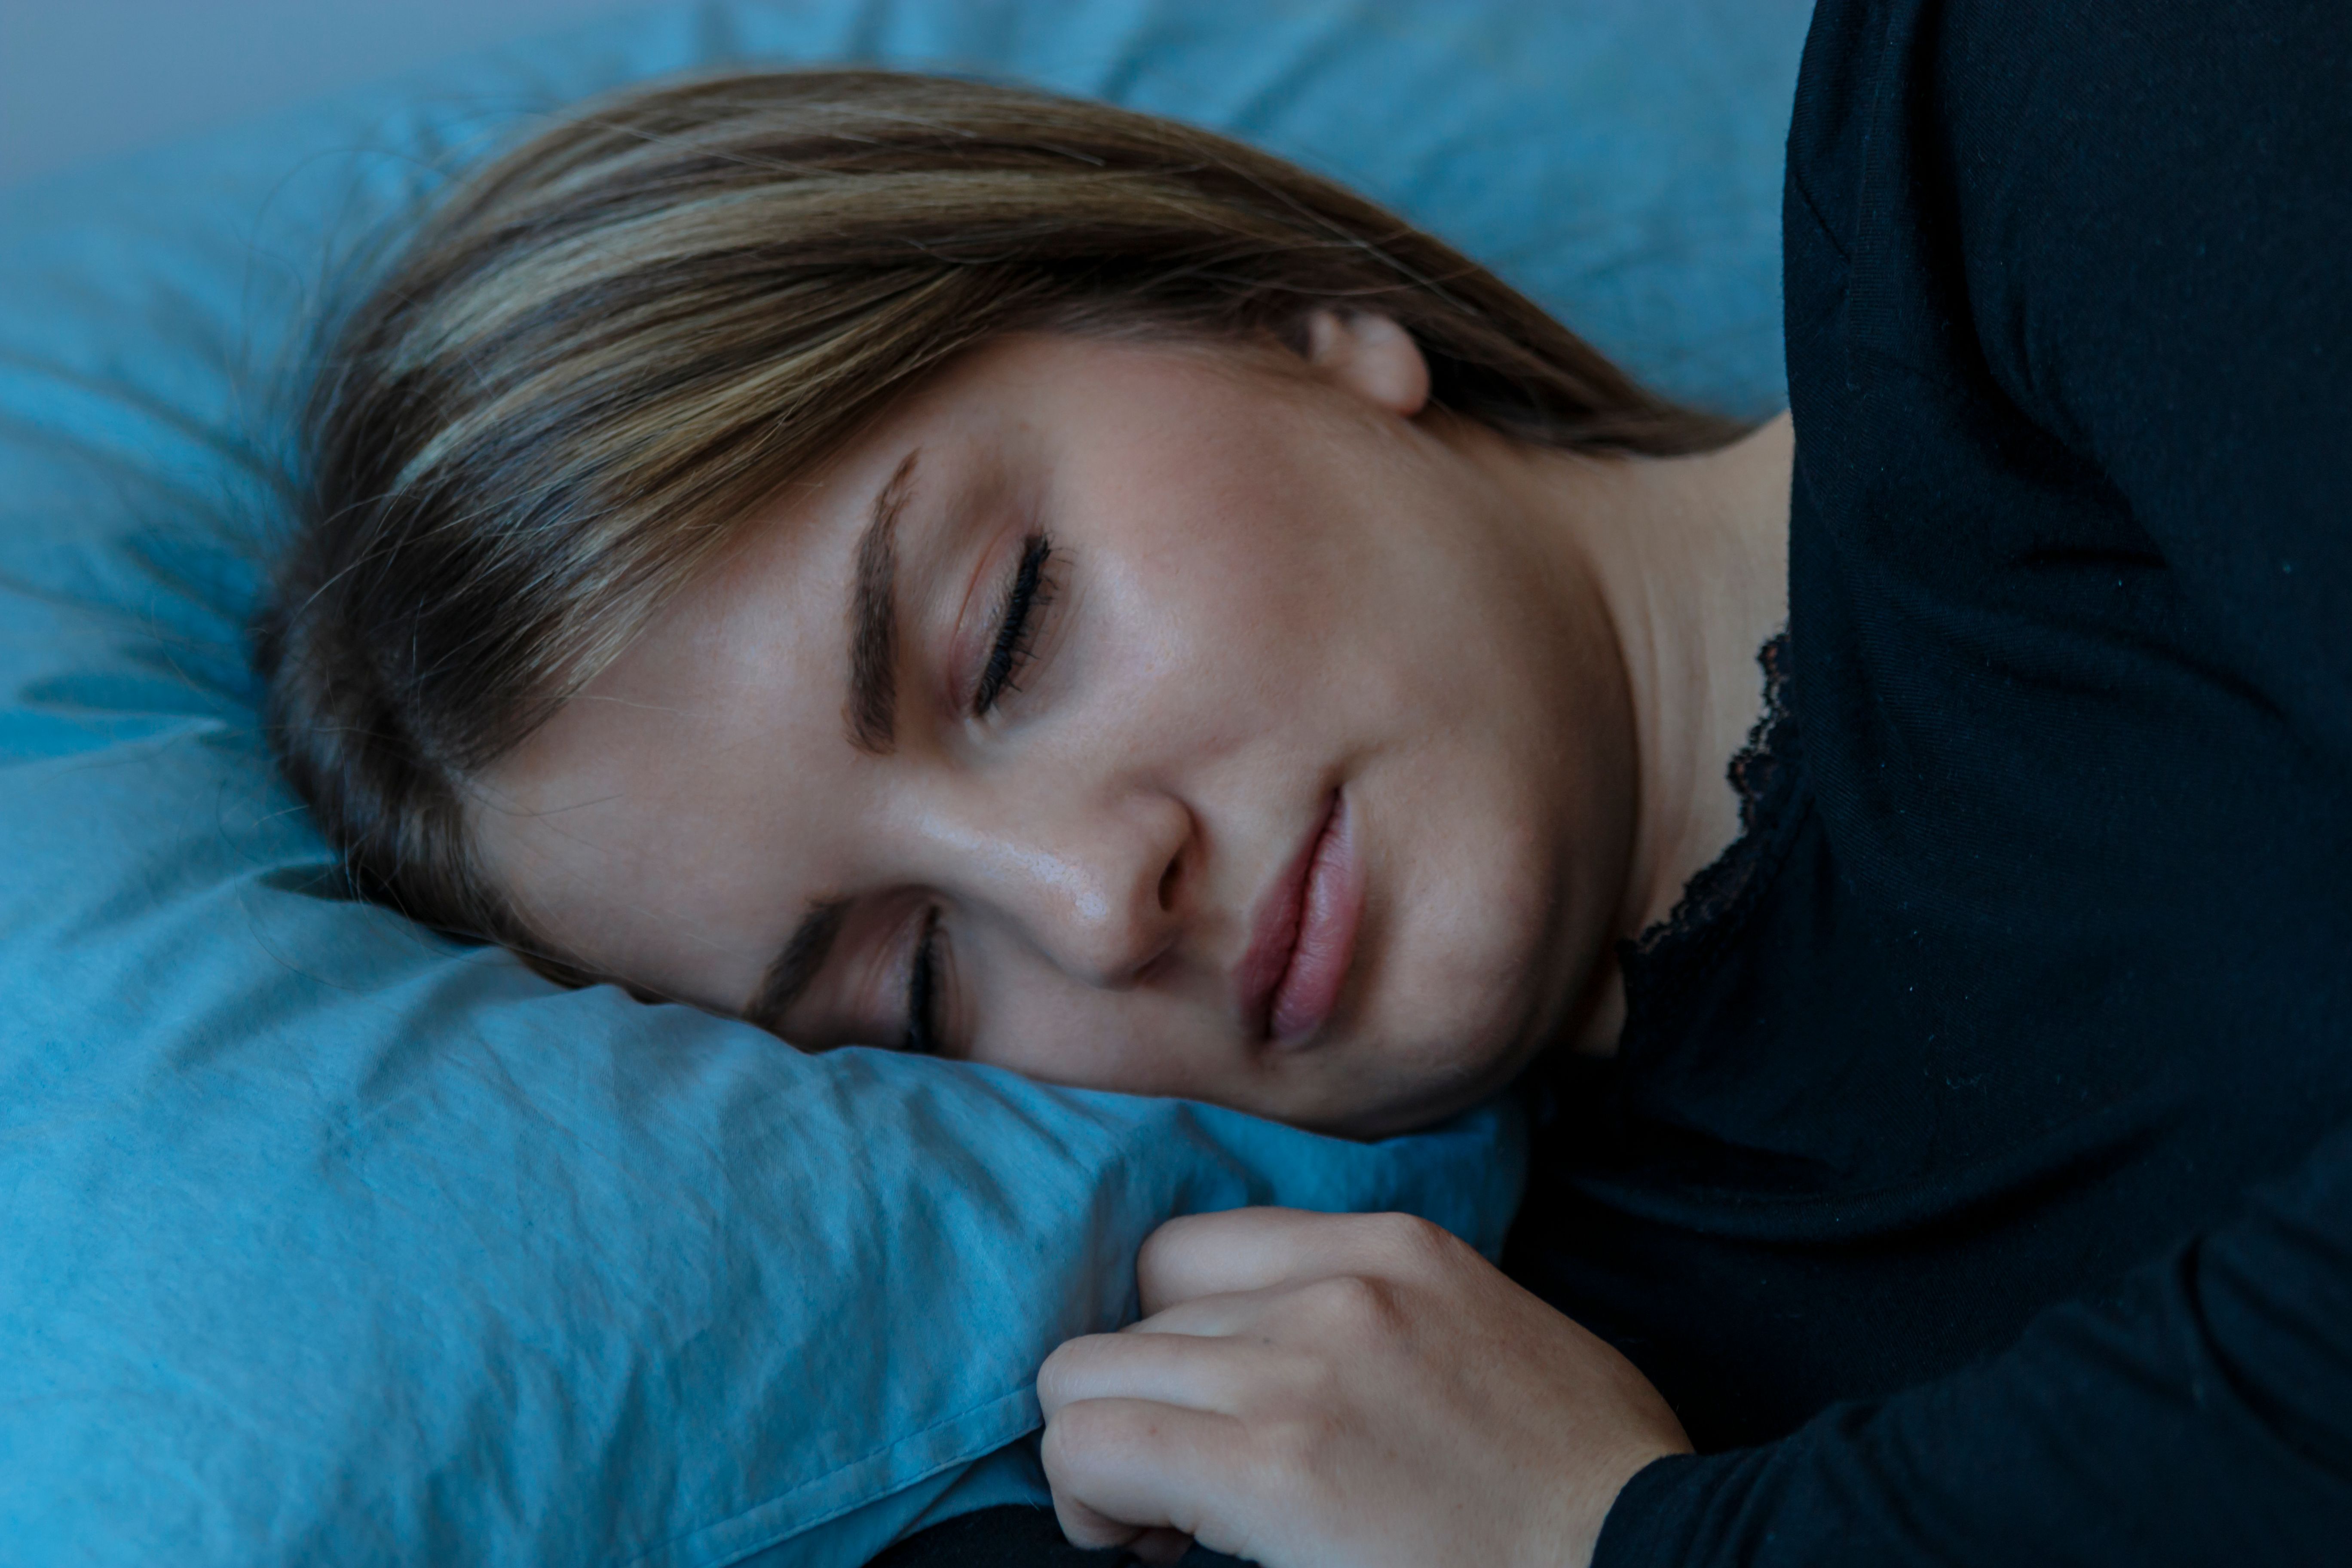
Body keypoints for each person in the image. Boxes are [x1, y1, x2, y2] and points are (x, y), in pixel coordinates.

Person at [256, 0, 2351, 1562]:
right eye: (914, 987)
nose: (1092, 901)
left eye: (1009, 634)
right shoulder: (1466, 1405)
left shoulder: (2039, 104)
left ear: (1281, 314)